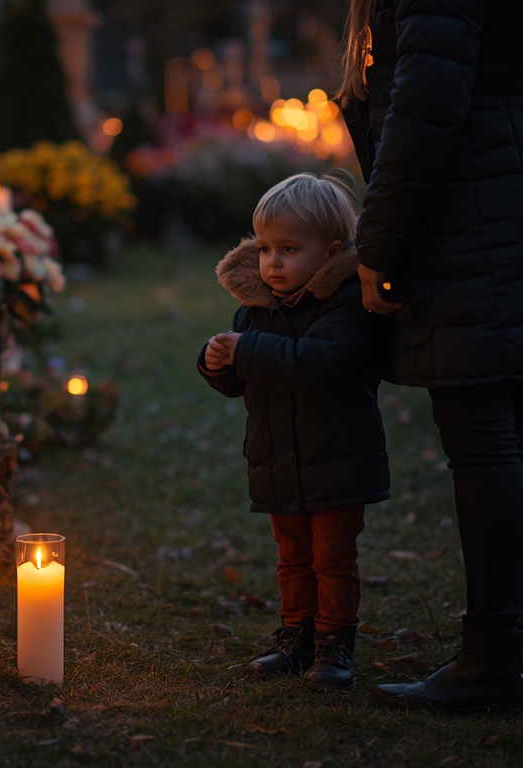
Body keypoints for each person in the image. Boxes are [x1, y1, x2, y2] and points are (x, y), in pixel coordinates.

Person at [337, 0, 523, 711]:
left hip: (467, 216)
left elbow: (428, 101)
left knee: (485, 444)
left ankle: (492, 661)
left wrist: (378, 243)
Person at [199, 171, 391, 691]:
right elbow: (244, 382)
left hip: (335, 456)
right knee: (292, 558)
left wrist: (248, 351)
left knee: (332, 558)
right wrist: (219, 362)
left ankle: (334, 642)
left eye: (288, 248)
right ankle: (296, 634)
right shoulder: (258, 308)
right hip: (279, 458)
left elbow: (315, 362)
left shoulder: (348, 303)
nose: (272, 263)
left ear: (330, 252)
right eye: (264, 248)